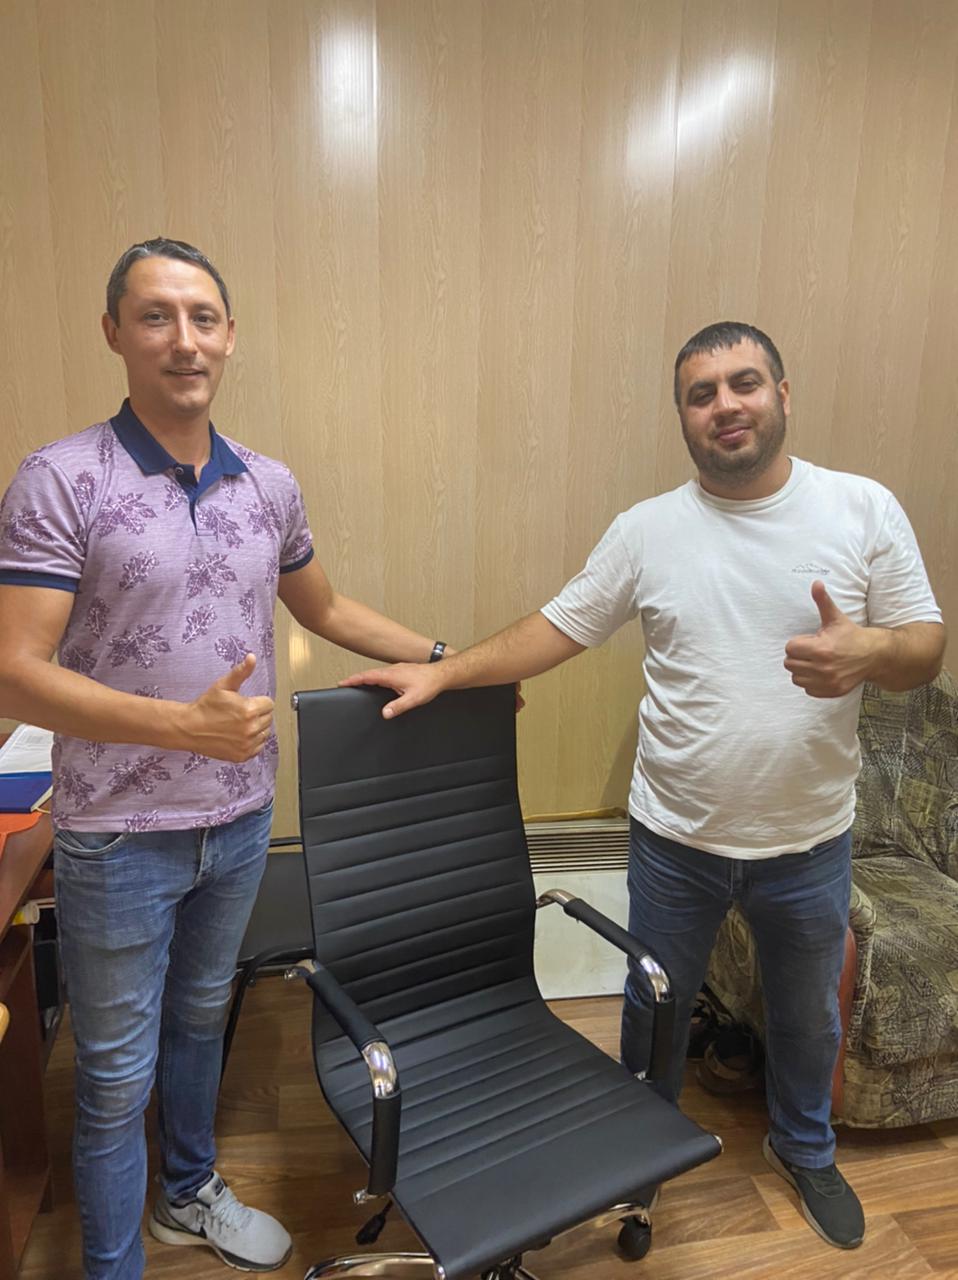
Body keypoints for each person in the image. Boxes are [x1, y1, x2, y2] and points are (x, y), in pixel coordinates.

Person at [340, 321, 946, 1251]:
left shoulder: (862, 509)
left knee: (807, 1016)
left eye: (744, 383)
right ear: (683, 418)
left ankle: (805, 1148)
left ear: (783, 395)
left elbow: (924, 646)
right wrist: (446, 672)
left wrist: (870, 652)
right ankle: (639, 1156)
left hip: (809, 841)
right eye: (702, 394)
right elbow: (558, 626)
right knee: (654, 1002)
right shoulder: (649, 530)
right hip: (675, 841)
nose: (725, 406)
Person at [0, 238, 450, 1280]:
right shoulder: (61, 478)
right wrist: (178, 728)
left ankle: (187, 1191)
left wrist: (451, 662)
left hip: (241, 820)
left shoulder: (267, 483)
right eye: (155, 316)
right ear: (114, 333)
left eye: (202, 316)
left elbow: (325, 609)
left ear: (231, 335)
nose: (183, 339)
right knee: (114, 1074)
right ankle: (113, 1262)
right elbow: (13, 674)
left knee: (202, 1019)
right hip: (117, 833)